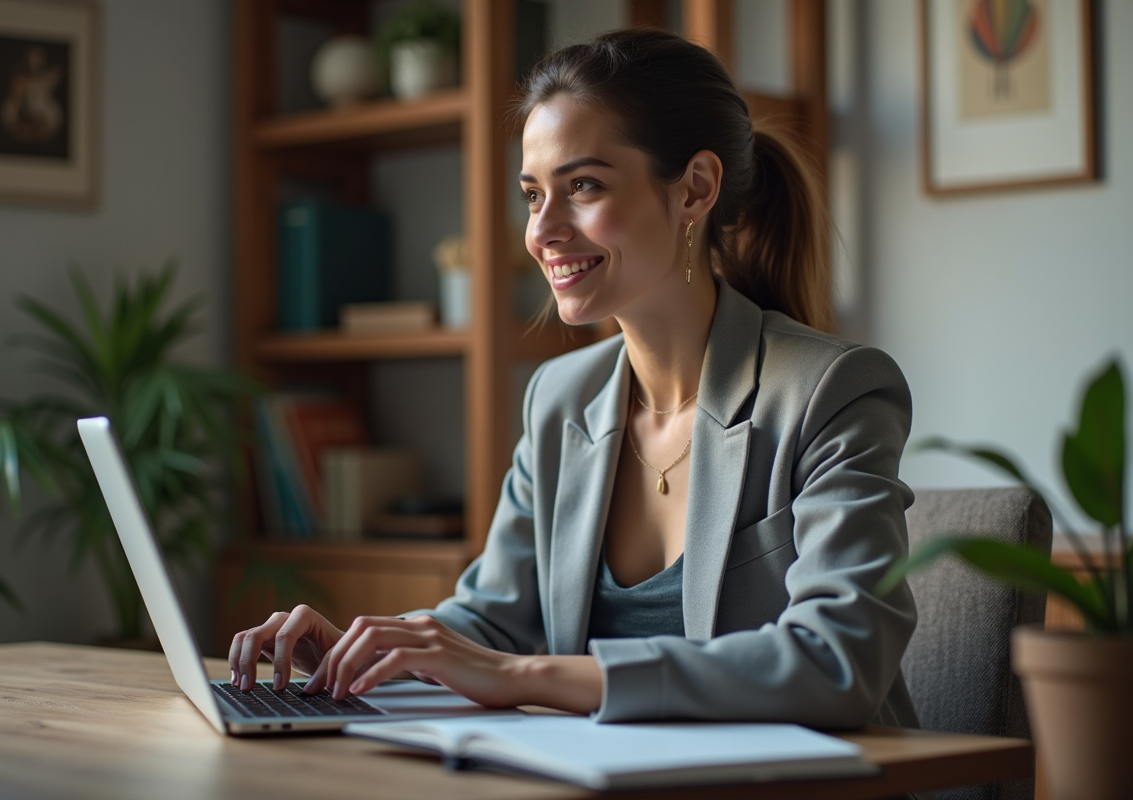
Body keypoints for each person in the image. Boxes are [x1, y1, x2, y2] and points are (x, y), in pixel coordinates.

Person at [229, 28, 921, 731]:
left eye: (584, 185)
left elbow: (840, 663)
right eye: (533, 195)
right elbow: (490, 622)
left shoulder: (834, 390)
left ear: (696, 189)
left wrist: (523, 676)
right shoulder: (560, 398)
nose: (543, 231)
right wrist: (362, 649)